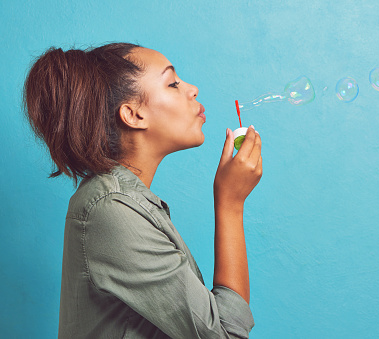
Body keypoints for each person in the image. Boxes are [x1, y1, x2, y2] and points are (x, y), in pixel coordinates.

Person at [23, 43, 262, 338]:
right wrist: (230, 202)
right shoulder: (112, 210)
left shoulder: (123, 201)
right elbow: (225, 335)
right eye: (173, 83)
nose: (193, 89)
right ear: (133, 115)